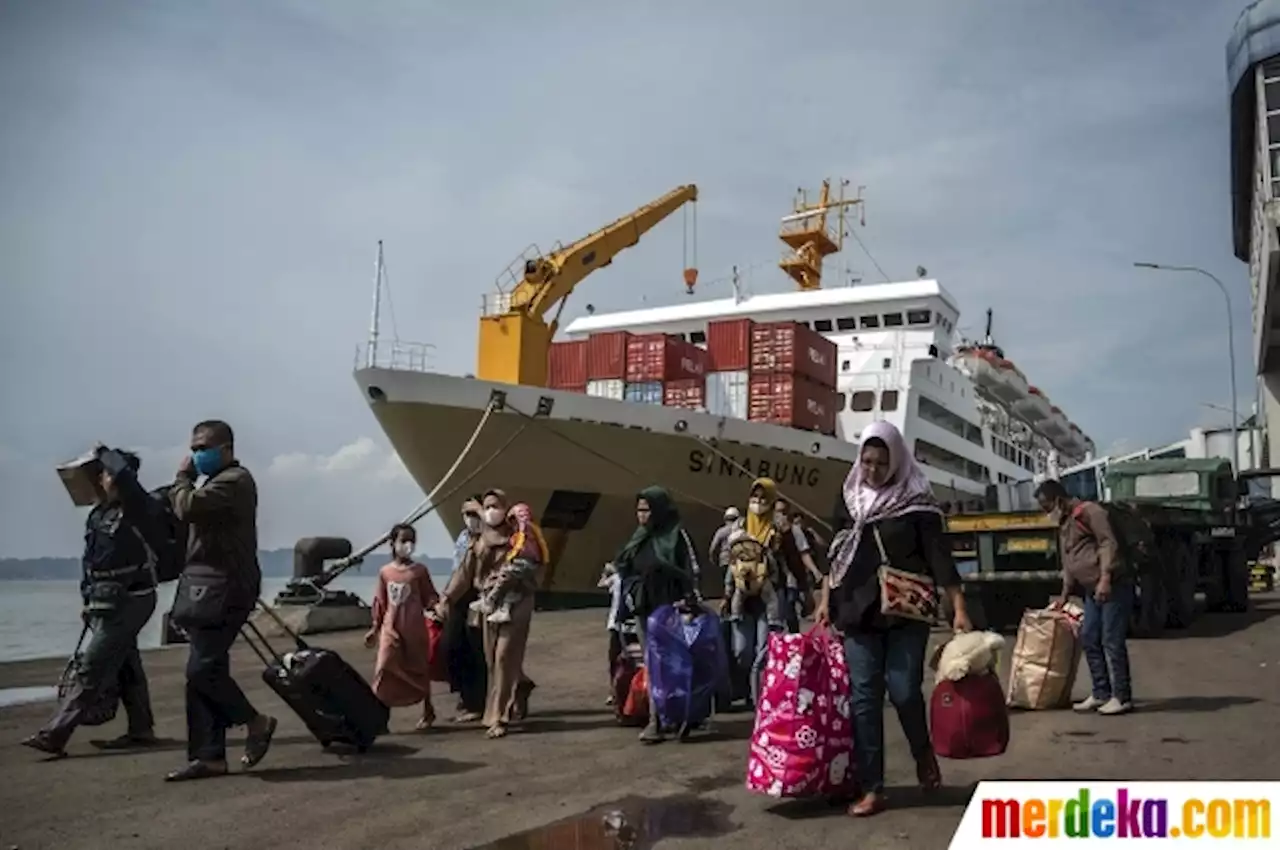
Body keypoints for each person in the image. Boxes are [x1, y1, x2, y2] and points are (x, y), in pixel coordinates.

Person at [817, 420, 971, 817]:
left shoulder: (917, 502)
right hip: (856, 609)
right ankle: (873, 787)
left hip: (905, 612)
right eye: (866, 462)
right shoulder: (849, 497)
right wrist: (823, 600)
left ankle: (923, 755)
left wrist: (958, 608)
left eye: (880, 464)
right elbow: (835, 554)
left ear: (897, 461)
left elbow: (940, 557)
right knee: (864, 699)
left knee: (903, 691)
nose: (871, 470)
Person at [23, 448, 159, 757]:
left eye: (107, 473)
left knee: (92, 667)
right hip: (104, 599)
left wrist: (104, 452)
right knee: (126, 663)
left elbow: (123, 475)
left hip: (133, 597)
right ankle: (142, 729)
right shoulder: (98, 515)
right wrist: (87, 599)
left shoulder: (138, 507)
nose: (103, 479)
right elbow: (90, 563)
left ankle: (55, 734)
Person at [164, 420, 277, 782]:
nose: (197, 454)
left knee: (201, 669)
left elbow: (188, 507)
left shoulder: (235, 481)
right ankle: (208, 756)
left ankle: (255, 721)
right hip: (205, 587)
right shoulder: (214, 482)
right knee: (203, 671)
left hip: (230, 587)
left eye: (204, 447)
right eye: (194, 447)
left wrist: (181, 480)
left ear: (226, 448)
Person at [436, 489, 536, 738]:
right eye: (487, 506)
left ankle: (498, 717)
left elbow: (533, 568)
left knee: (503, 656)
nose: (490, 511)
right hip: (488, 604)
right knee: (493, 660)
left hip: (515, 603)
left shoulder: (519, 536)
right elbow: (464, 574)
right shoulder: (478, 542)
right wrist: (447, 598)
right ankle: (513, 697)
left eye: (495, 506)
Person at [1035, 478, 1132, 716]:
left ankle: (1122, 696)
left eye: (1047, 506)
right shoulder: (1065, 523)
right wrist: (1064, 595)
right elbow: (1070, 562)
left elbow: (1108, 543)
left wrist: (1105, 578)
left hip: (1112, 586)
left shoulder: (1091, 512)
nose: (1046, 512)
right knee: (1089, 637)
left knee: (1111, 640)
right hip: (1091, 590)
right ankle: (1101, 693)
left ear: (1058, 500)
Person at [613, 485, 700, 744]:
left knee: (674, 663)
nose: (642, 516)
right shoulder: (639, 537)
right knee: (653, 664)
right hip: (644, 608)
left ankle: (680, 714)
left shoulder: (676, 535)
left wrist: (689, 600)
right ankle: (656, 719)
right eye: (639, 510)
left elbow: (691, 569)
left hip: (672, 608)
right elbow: (624, 563)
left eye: (647, 510)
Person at [722, 478, 788, 708]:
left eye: (763, 498)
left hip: (769, 598)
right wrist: (728, 594)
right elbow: (730, 560)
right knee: (741, 652)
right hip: (743, 597)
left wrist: (807, 589)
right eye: (754, 498)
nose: (757, 503)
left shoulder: (779, 528)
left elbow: (793, 560)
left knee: (763, 654)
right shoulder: (739, 527)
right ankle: (748, 690)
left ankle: (760, 702)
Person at [366, 524, 439, 730]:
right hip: (391, 628)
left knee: (419, 669)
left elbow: (429, 596)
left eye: (411, 541)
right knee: (384, 668)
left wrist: (438, 607)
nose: (408, 545)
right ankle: (380, 716)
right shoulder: (385, 572)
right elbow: (380, 601)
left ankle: (427, 710)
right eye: (403, 540)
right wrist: (375, 627)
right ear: (392, 543)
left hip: (415, 629)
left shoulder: (419, 571)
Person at [445, 497, 487, 722]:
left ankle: (476, 703)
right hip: (459, 597)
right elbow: (457, 569)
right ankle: (466, 696)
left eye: (474, 513)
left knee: (477, 650)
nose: (469, 519)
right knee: (451, 646)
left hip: (479, 596)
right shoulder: (463, 537)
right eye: (466, 513)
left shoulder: (488, 538)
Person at [471, 503, 547, 625]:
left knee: (505, 575)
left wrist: (510, 557)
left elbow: (520, 546)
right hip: (530, 564)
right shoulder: (528, 531)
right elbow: (542, 545)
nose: (512, 524)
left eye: (513, 520)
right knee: (513, 588)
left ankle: (490, 600)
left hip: (525, 562)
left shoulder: (524, 530)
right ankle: (505, 610)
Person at [772, 497, 825, 631]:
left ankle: (794, 638)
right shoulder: (768, 531)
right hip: (772, 579)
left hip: (792, 577)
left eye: (784, 512)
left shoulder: (795, 530)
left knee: (790, 609)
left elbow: (804, 552)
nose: (781, 516)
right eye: (778, 512)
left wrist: (815, 571)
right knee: (776, 613)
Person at [708, 506, 743, 579]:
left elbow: (713, 547)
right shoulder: (742, 531)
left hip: (725, 560)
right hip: (738, 561)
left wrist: (712, 559)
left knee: (726, 582)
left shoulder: (721, 531)